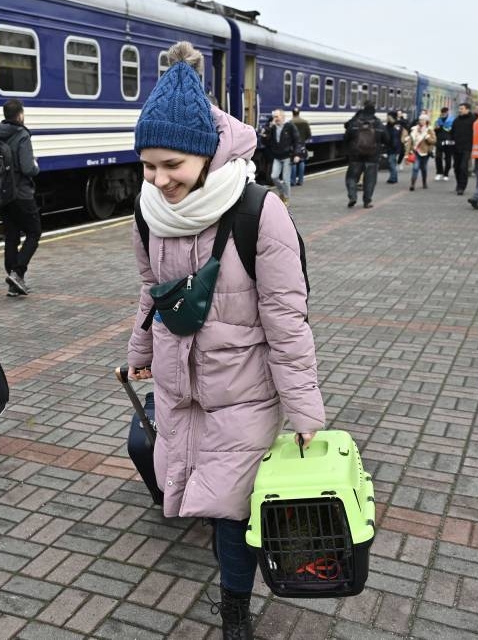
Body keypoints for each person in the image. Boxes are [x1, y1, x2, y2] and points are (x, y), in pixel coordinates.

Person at [127, 41, 324, 639]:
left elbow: (288, 320)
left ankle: (234, 610)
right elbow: (149, 289)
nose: (159, 181)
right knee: (176, 475)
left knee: (233, 516)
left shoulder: (259, 212)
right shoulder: (147, 212)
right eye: (147, 166)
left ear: (208, 156)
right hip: (177, 385)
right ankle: (219, 565)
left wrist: (304, 410)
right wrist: (138, 352)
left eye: (173, 166)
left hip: (244, 394)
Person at [0, 99, 41, 296]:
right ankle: (18, 273)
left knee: (11, 236)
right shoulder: (22, 134)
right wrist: (36, 166)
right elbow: (27, 167)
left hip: (2, 194)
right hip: (22, 194)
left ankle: (13, 283)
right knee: (34, 232)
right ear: (20, 114)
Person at [344, 100, 388, 208]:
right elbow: (387, 139)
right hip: (373, 157)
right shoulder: (378, 123)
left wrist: (348, 151)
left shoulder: (354, 122)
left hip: (355, 157)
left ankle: (353, 197)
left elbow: (346, 138)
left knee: (351, 178)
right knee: (370, 180)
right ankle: (367, 201)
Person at [263, 108, 299, 197]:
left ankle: (286, 198)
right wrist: (270, 127)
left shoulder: (290, 126)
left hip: (287, 156)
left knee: (286, 180)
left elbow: (297, 140)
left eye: (277, 116)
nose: (275, 119)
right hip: (277, 156)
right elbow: (265, 141)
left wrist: (296, 154)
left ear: (282, 117)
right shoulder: (272, 127)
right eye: (274, 117)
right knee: (274, 177)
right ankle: (282, 193)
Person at [405, 114, 436, 190]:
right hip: (415, 152)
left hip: (425, 153)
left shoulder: (429, 130)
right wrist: (406, 154)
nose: (421, 121)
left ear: (426, 121)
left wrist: (427, 137)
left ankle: (424, 182)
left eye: (422, 120)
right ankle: (412, 184)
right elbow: (410, 142)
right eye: (420, 120)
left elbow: (434, 141)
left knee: (424, 168)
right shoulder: (414, 129)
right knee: (415, 168)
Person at [450, 103, 475, 195]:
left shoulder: (473, 120)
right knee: (456, 168)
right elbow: (452, 133)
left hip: (467, 148)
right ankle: (458, 183)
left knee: (463, 167)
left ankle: (461, 187)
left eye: (462, 109)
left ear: (467, 109)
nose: (459, 110)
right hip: (456, 148)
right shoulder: (456, 120)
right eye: (459, 108)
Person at [290, 106, 312, 186]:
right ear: (299, 113)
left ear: (293, 113)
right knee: (302, 161)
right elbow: (309, 134)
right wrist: (303, 140)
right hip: (302, 144)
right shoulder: (305, 122)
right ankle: (301, 180)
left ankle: (292, 181)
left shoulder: (290, 122)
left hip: (293, 145)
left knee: (293, 162)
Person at [433, 107, 455, 180]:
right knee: (438, 157)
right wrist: (437, 129)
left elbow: (453, 131)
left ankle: (446, 173)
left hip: (449, 141)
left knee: (448, 158)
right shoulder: (438, 120)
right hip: (439, 141)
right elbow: (435, 131)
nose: (443, 114)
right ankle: (439, 172)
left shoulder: (452, 120)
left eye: (445, 112)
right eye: (442, 112)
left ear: (447, 112)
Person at [384, 113, 403, 184]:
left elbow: (395, 137)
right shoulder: (389, 126)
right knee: (391, 163)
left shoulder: (396, 126)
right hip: (390, 147)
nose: (387, 118)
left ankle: (393, 178)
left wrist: (394, 147)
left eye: (388, 117)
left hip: (393, 147)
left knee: (391, 162)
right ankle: (392, 177)